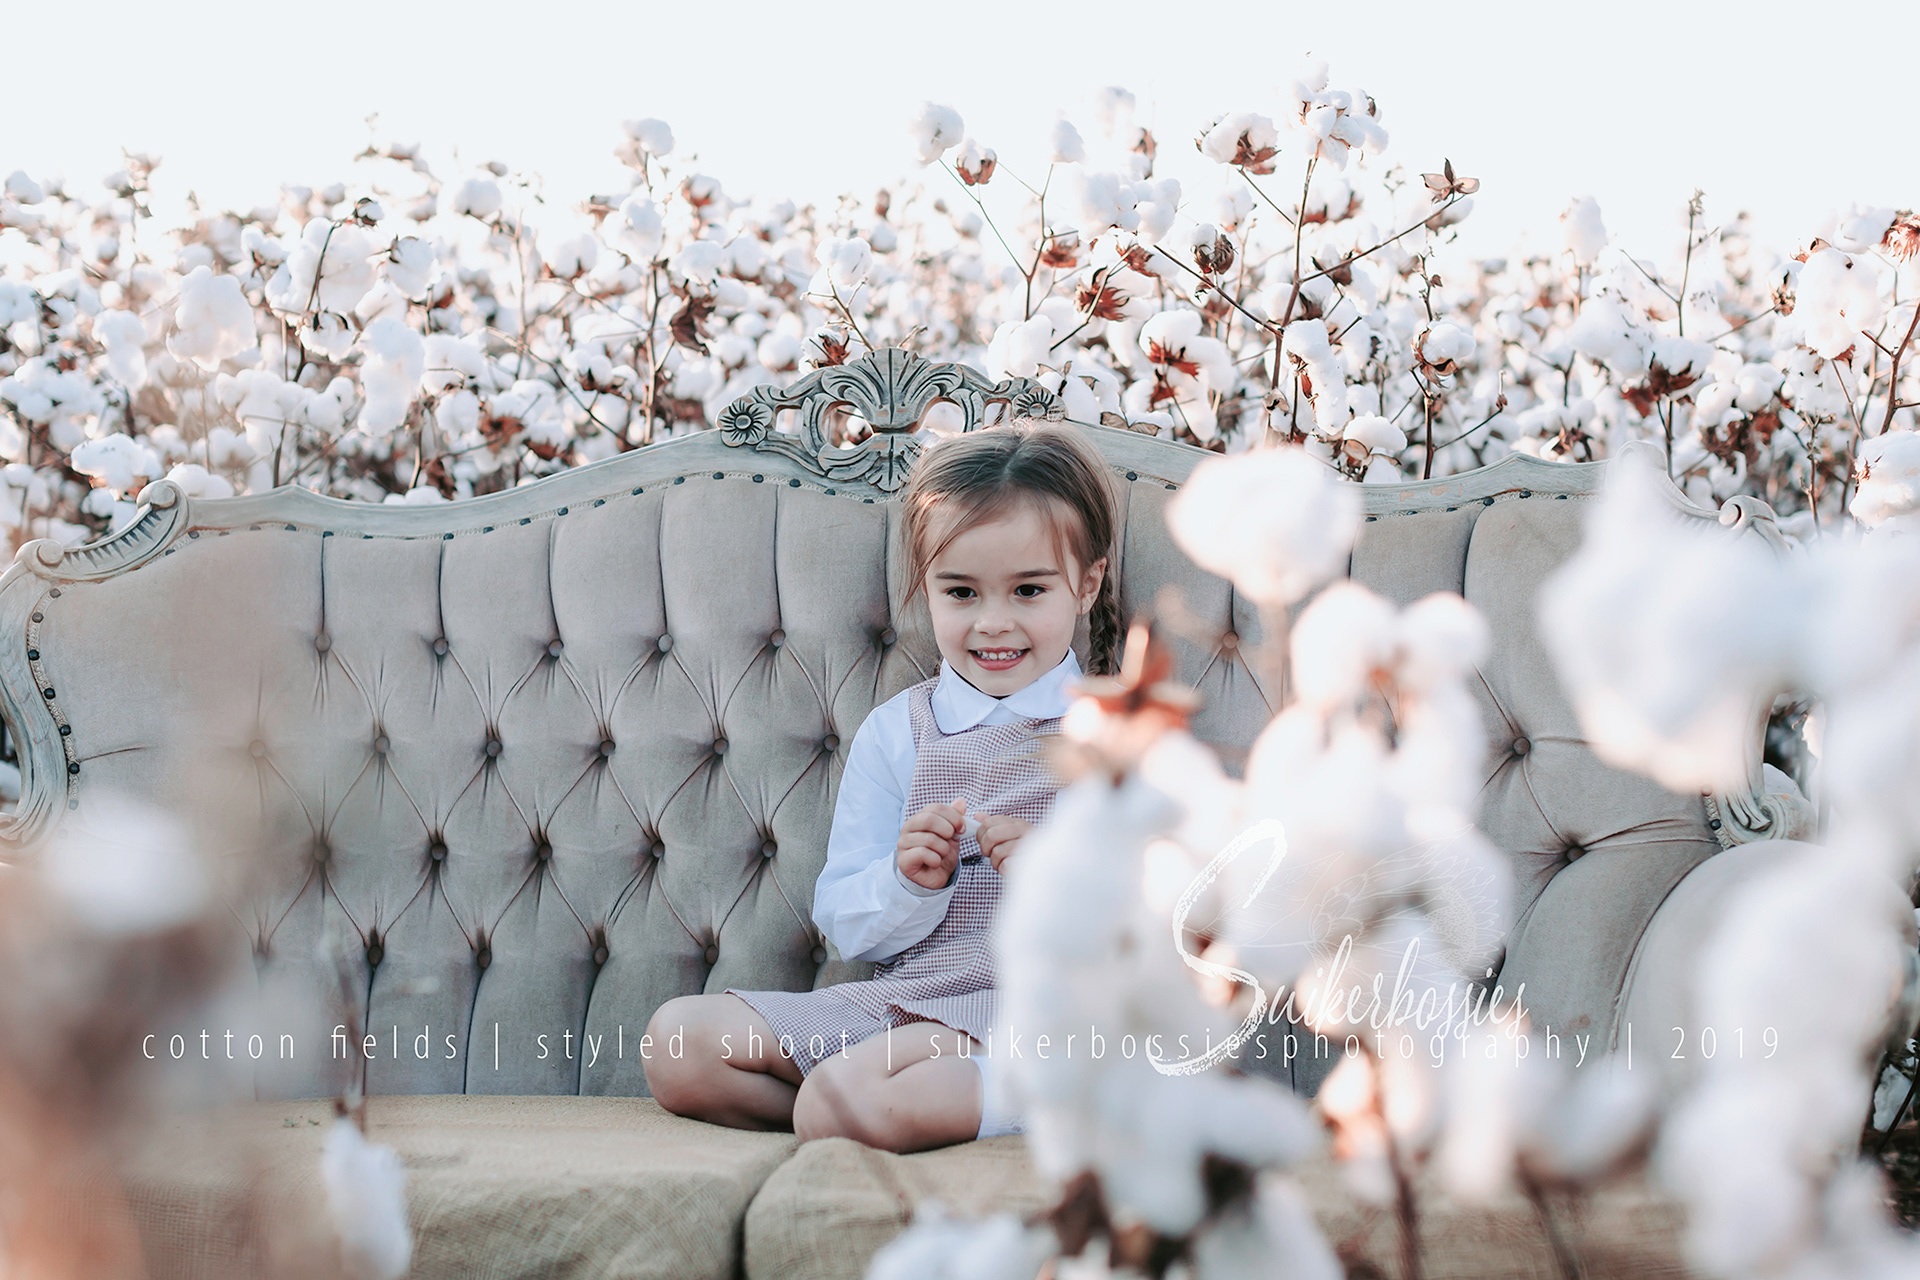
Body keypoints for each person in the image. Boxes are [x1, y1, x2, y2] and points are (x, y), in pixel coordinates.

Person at [644, 421, 1123, 1153]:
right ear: (925, 586)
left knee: (845, 1098)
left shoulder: (1114, 736)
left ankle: (1026, 1095)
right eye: (961, 592)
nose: (993, 623)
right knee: (677, 1045)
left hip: (1047, 1015)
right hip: (911, 1005)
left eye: (1028, 590)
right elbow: (846, 922)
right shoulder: (900, 731)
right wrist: (909, 883)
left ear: (1085, 583)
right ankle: (857, 1107)